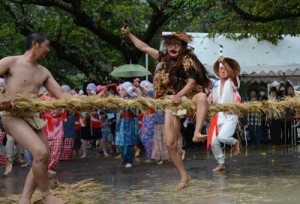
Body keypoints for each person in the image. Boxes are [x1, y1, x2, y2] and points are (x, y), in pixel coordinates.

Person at [121, 27, 211, 189]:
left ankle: (197, 132)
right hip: (173, 102)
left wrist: (180, 95)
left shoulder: (189, 60)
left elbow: (191, 83)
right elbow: (143, 47)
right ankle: (184, 176)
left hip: (190, 97)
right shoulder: (162, 58)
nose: (173, 47)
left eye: (177, 44)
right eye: (170, 44)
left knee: (203, 97)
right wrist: (129, 35)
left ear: (183, 47)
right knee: (170, 144)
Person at [0, 32, 64, 203]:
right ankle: (46, 195)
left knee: (44, 158)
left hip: (33, 117)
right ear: (35, 44)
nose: (48, 50)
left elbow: (64, 97)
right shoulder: (10, 62)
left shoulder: (43, 72)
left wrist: (90, 102)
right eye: (46, 46)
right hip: (13, 116)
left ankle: (24, 199)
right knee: (41, 153)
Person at [206, 56, 241, 172]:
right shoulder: (214, 84)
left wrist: (224, 62)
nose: (223, 70)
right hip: (218, 117)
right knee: (213, 142)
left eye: (226, 68)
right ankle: (221, 163)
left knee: (223, 137)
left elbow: (232, 75)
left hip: (230, 115)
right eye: (221, 68)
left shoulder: (233, 81)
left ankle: (235, 142)